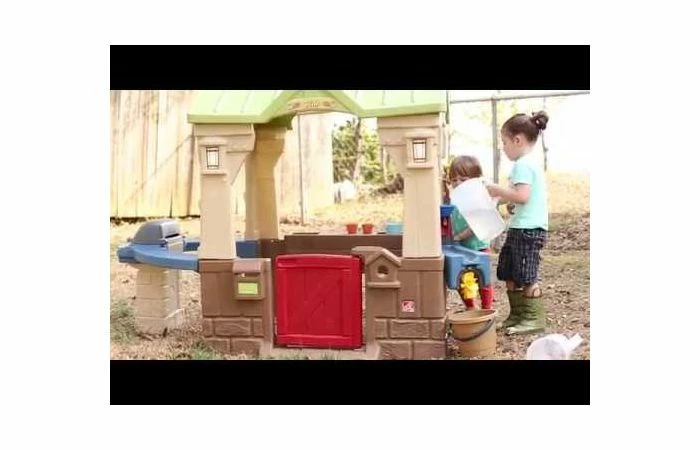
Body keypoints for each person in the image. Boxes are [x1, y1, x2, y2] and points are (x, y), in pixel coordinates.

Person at [485, 111, 549, 335]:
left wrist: (497, 189)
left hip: (528, 230)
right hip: (520, 226)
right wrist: (505, 201)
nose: (503, 148)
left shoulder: (523, 164)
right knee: (509, 271)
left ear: (517, 140)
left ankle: (533, 318)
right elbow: (520, 198)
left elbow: (522, 195)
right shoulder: (526, 164)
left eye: (504, 142)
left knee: (526, 274)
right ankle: (517, 315)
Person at [447, 155, 494, 310]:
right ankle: (471, 306)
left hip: (478, 246)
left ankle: (487, 308)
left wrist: (458, 236)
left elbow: (475, 225)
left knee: (483, 279)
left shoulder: (476, 199)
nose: (458, 183)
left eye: (463, 179)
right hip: (461, 248)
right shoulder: (454, 198)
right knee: (460, 278)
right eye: (454, 180)